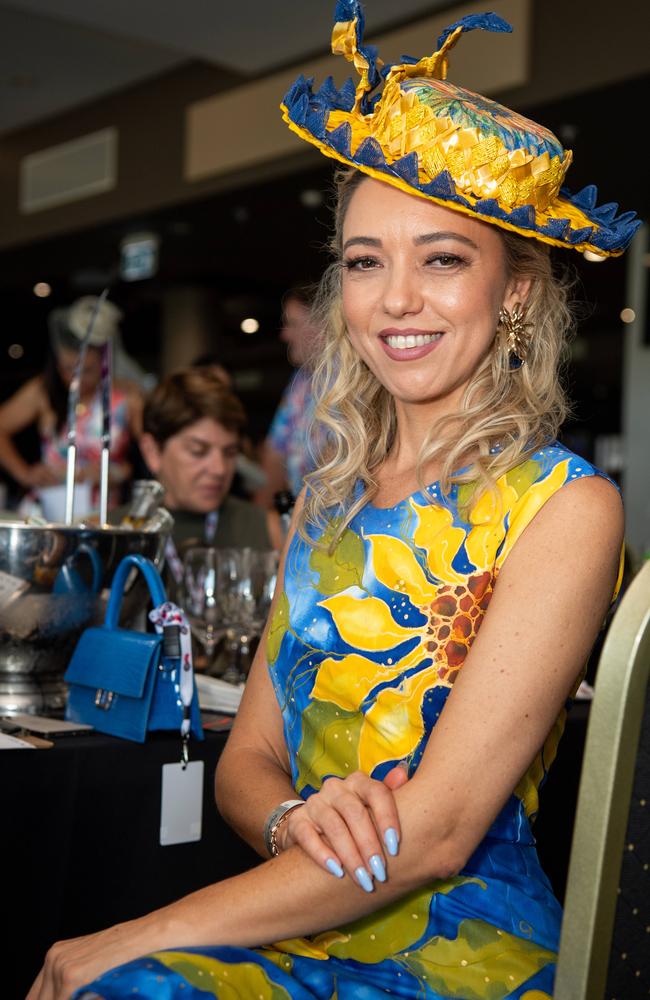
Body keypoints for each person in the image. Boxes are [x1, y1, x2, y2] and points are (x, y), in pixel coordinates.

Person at [29, 7, 640, 999]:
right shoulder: (327, 504)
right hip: (293, 911)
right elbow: (248, 760)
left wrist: (129, 932)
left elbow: (437, 833)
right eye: (363, 260)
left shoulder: (565, 508)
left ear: (515, 291)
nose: (394, 297)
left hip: (461, 944)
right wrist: (285, 820)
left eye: (440, 257)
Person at [0, 295, 142, 515]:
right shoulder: (43, 391)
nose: (75, 379)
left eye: (87, 370)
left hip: (102, 514)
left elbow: (153, 454)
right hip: (46, 510)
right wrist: (25, 473)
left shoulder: (125, 398)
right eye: (67, 369)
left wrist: (117, 472)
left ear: (104, 363)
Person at [137, 368, 282, 578]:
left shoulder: (271, 532)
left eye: (230, 452)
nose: (219, 469)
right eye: (198, 451)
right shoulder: (111, 537)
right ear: (152, 452)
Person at [255, 285, 324, 506]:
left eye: (292, 323)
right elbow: (274, 454)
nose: (284, 335)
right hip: (300, 522)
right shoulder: (301, 381)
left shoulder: (355, 379)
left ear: (324, 323)